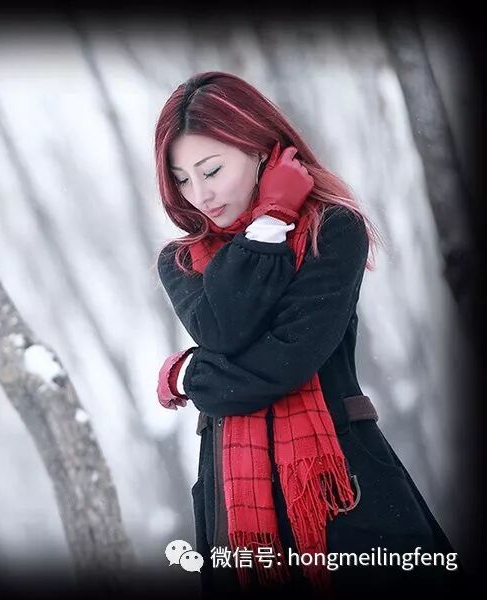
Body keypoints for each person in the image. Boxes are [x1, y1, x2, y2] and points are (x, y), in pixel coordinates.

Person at [153, 71, 467, 597]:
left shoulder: (332, 229)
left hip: (343, 485)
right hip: (234, 502)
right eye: (182, 179)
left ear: (260, 150)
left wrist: (189, 375)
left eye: (211, 170)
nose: (200, 194)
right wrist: (267, 227)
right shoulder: (183, 262)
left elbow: (286, 363)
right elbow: (224, 328)